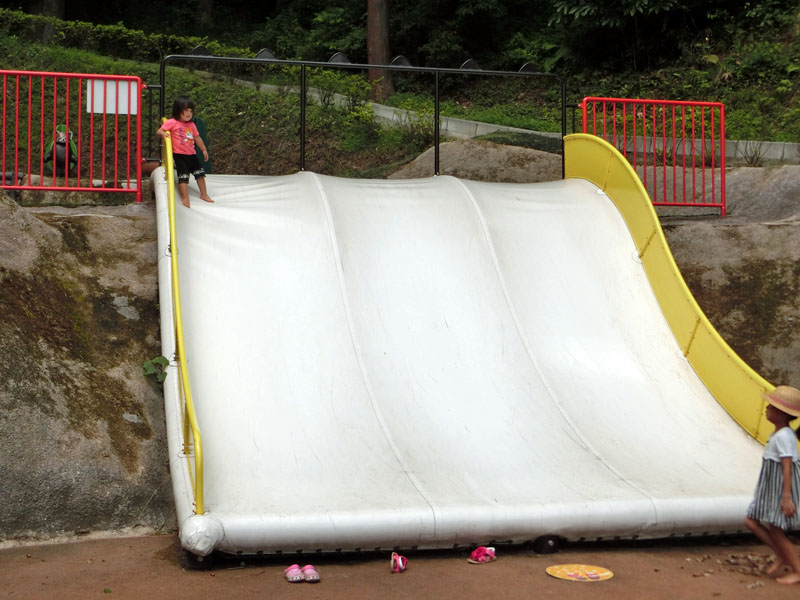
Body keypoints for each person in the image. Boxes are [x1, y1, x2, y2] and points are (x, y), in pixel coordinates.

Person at [745, 385, 800, 584]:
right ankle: (782, 555)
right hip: (770, 488)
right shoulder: (778, 434)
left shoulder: (784, 436)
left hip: (779, 489)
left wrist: (786, 497)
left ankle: (797, 569)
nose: (767, 409)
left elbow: (787, 466)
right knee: (751, 521)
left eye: (771, 407)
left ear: (781, 414)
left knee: (776, 530)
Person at [156, 95, 213, 208]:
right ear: (178, 111)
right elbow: (159, 130)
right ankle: (185, 197)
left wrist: (203, 149)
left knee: (200, 174)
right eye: (185, 111)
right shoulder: (172, 122)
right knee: (183, 177)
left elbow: (197, 138)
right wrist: (164, 134)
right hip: (179, 155)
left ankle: (204, 194)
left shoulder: (191, 125)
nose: (189, 114)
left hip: (192, 154)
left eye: (191, 111)